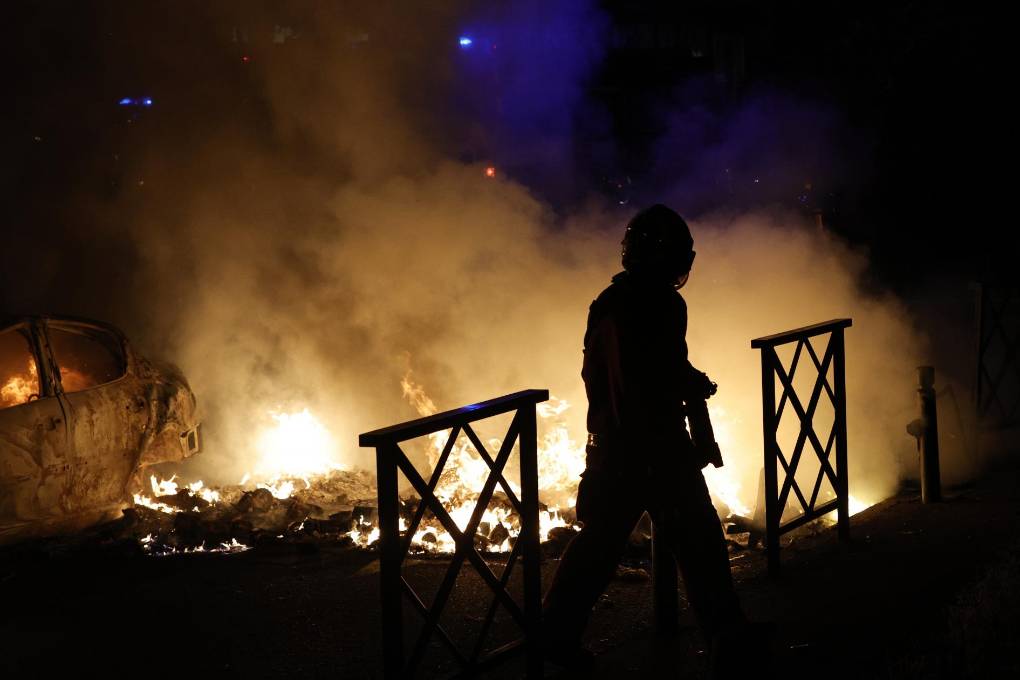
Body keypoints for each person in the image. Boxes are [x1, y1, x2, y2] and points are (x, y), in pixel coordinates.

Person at [542, 204, 747, 674]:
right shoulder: (658, 304)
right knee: (697, 544)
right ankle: (728, 637)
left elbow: (652, 366)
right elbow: (646, 377)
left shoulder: (613, 303)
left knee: (601, 548)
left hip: (619, 446)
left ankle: (555, 637)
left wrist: (688, 379)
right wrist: (686, 387)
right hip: (649, 446)